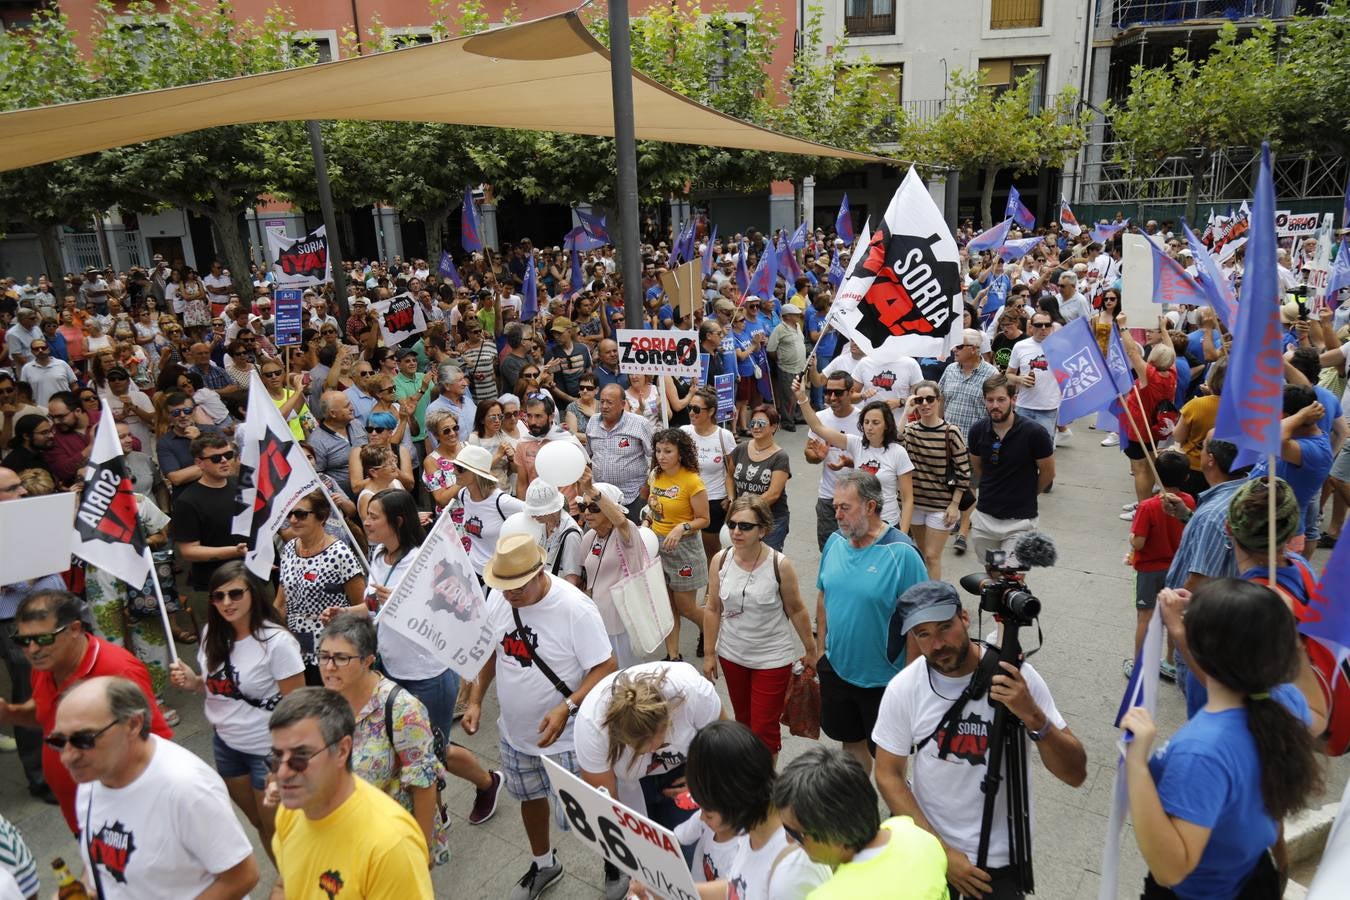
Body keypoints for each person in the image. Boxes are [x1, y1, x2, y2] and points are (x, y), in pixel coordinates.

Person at [873, 581, 1086, 900]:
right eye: (923, 634)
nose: (936, 644)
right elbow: (888, 775)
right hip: (928, 849)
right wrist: (941, 852)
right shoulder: (905, 688)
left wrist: (1033, 716)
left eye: (945, 627)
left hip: (997, 862)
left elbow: (1076, 773)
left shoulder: (1015, 676)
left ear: (965, 618)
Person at [1121, 580, 1319, 899]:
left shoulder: (1201, 752)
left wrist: (1137, 767)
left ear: (1201, 651)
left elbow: (1171, 869)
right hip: (1253, 875)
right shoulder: (1285, 702)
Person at [462, 534, 616, 900]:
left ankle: (615, 863)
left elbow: (606, 666)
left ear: (540, 571)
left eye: (516, 586)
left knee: (592, 808)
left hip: (569, 737)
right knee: (530, 799)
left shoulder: (575, 608)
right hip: (516, 736)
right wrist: (476, 700)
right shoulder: (500, 599)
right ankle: (544, 862)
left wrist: (567, 707)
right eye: (503, 586)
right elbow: (492, 651)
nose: (508, 593)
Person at [337, 488, 505, 824]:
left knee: (431, 751)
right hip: (390, 671)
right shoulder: (377, 555)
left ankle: (485, 784)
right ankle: (436, 808)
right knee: (410, 748)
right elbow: (374, 605)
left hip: (428, 675)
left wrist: (403, 599)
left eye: (373, 516)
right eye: (366, 515)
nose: (366, 522)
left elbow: (446, 610)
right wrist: (344, 612)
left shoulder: (423, 561)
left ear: (397, 521)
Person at [54, 677, 258, 899]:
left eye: (84, 739)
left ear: (133, 724)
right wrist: (87, 888)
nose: (67, 756)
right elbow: (101, 856)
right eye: (59, 741)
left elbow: (243, 876)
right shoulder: (93, 775)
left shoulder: (187, 788)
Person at [3, 590, 173, 833]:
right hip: (81, 815)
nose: (31, 650)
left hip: (122, 821)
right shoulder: (45, 664)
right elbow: (46, 712)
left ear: (74, 628)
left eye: (42, 639)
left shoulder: (118, 670)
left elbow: (159, 746)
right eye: (23, 641)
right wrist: (9, 713)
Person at [267, 687, 435, 899]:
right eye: (276, 757)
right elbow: (285, 886)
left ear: (343, 750)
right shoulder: (293, 809)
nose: (282, 773)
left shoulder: (391, 845)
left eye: (301, 756)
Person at [315, 614, 451, 866]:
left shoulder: (402, 709)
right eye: (324, 656)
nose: (329, 666)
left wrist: (421, 848)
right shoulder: (325, 703)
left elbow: (424, 782)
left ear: (368, 660)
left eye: (341, 658)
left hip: (393, 842)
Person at [815, 471, 928, 773]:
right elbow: (823, 597)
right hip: (838, 669)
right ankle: (856, 809)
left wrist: (910, 680)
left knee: (889, 762)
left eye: (845, 507)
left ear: (870, 506)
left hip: (885, 681)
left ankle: (900, 813)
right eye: (835, 506)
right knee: (851, 748)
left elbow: (920, 623)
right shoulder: (835, 543)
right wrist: (819, 652)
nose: (837, 515)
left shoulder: (903, 554)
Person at [703, 496, 816, 756]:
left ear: (762, 530)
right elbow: (712, 608)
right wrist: (710, 654)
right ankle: (746, 780)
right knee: (743, 725)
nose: (735, 531)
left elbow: (797, 609)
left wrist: (811, 649)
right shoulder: (720, 560)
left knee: (764, 731)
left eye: (745, 526)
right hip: (732, 656)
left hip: (771, 659)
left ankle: (764, 791)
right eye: (731, 524)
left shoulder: (779, 565)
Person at [675, 720, 832, 899]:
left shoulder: (789, 874)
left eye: (708, 812)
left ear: (732, 799)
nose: (701, 818)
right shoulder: (753, 829)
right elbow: (739, 887)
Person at [773, 745, 949, 899]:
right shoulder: (917, 835)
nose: (789, 840)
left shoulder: (829, 896)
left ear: (836, 835)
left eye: (795, 833)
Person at [275, 489, 367, 683]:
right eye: (290, 513)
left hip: (333, 652)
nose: (292, 520)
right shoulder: (290, 549)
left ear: (322, 517)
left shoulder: (340, 553)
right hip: (296, 651)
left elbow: (362, 606)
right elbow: (281, 602)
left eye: (300, 514)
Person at [796, 384, 914, 532]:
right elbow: (817, 427)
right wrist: (802, 398)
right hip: (859, 524)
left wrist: (902, 535)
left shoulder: (898, 453)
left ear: (886, 425)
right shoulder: (855, 444)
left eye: (876, 423)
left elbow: (908, 499)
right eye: (866, 422)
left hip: (887, 524)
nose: (869, 427)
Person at [966, 375, 1055, 565]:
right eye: (990, 400)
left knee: (1011, 574)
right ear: (984, 400)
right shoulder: (977, 431)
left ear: (1013, 400)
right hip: (986, 521)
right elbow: (978, 467)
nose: (995, 405)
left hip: (1019, 523)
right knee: (995, 570)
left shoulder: (1035, 433)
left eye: (1001, 399)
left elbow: (1048, 473)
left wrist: (1029, 493)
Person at [1125, 450, 1194, 678]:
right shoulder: (1189, 502)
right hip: (1178, 568)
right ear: (1186, 477)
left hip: (1149, 570)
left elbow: (1140, 542)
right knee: (1174, 615)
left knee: (1145, 616)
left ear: (1156, 477)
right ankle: (1171, 661)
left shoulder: (1147, 506)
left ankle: (1139, 666)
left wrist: (1131, 540)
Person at [646, 427, 711, 660]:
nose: (662, 456)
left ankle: (710, 629)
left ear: (680, 453)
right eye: (658, 450)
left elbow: (704, 519)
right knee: (667, 606)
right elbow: (653, 507)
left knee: (686, 607)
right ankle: (673, 656)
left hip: (684, 549)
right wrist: (646, 521)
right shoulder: (655, 475)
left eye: (668, 451)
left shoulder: (693, 481)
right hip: (657, 547)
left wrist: (681, 527)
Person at [900, 381, 972, 581]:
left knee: (932, 557)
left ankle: (935, 602)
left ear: (939, 401)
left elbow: (964, 471)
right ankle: (924, 593)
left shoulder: (951, 431)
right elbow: (894, 442)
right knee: (922, 555)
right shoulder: (911, 430)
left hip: (941, 505)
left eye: (930, 399)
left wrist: (955, 505)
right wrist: (906, 412)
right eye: (919, 400)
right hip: (914, 504)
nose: (925, 404)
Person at [577, 479, 651, 670]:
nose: (586, 512)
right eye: (583, 506)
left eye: (594, 507)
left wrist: (594, 492)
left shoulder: (626, 533)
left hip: (621, 622)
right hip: (595, 620)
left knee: (624, 676)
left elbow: (620, 521)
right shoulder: (588, 538)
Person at [171, 433, 247, 594]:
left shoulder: (240, 485)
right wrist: (233, 551)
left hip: (251, 578)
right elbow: (189, 551)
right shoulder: (187, 501)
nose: (224, 461)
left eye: (228, 455)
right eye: (216, 458)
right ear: (199, 463)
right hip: (215, 585)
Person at [1118, 323, 1178, 513]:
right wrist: (1164, 331)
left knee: (1140, 470)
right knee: (1150, 466)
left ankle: (1143, 508)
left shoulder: (1149, 375)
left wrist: (1123, 327)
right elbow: (1172, 351)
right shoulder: (1171, 374)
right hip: (1153, 427)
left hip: (1139, 428)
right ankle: (1144, 504)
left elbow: (1132, 352)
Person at [451, 444, 526, 577]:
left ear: (475, 474)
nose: (454, 472)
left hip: (499, 574)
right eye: (454, 466)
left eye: (460, 468)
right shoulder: (463, 495)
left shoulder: (501, 502)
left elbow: (534, 515)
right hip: (473, 571)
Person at [729, 405, 793, 550]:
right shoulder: (741, 449)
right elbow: (729, 476)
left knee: (766, 563)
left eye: (761, 424)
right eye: (752, 423)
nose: (756, 427)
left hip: (771, 520)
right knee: (743, 557)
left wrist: (746, 508)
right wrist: (731, 499)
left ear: (773, 427)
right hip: (742, 518)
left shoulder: (780, 457)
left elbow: (774, 494)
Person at [587, 384, 655, 521]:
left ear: (623, 404)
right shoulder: (593, 422)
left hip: (632, 497)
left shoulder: (639, 424)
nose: (604, 406)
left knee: (631, 539)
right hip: (601, 498)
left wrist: (646, 488)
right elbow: (589, 456)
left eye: (610, 402)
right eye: (602, 401)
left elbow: (655, 455)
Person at [1004, 312, 1063, 444]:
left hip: (1048, 408)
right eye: (1038, 325)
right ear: (1031, 326)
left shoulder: (1059, 346)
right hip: (1024, 406)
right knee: (1020, 446)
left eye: (1047, 325)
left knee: (1044, 449)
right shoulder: (1020, 346)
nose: (1043, 328)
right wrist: (1020, 379)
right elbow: (1009, 374)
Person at [308, 390, 370, 499]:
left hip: (369, 492)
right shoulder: (317, 441)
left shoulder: (356, 424)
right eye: (346, 406)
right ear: (332, 413)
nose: (352, 408)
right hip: (344, 500)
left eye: (350, 403)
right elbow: (318, 477)